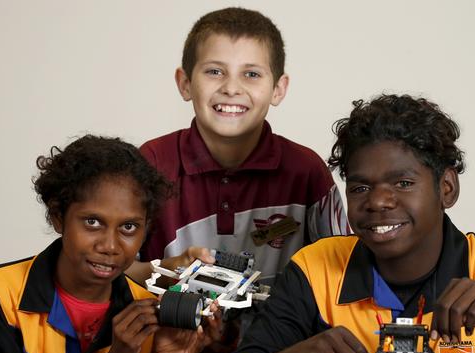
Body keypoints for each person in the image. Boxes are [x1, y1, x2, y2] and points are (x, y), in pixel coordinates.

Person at [225, 94, 475, 353]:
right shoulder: (315, 269)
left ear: (446, 188)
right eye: (360, 187)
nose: (378, 202)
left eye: (402, 183)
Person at [125, 7, 349, 286]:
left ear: (278, 89)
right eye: (215, 71)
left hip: (283, 329)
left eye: (251, 74)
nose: (232, 88)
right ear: (185, 83)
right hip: (171, 327)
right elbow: (113, 269)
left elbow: (345, 268)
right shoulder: (152, 163)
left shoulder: (306, 171)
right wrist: (171, 270)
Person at [0, 135, 218, 353]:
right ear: (58, 217)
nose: (110, 246)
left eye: (128, 227)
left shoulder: (147, 310)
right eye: (92, 222)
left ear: (146, 228)